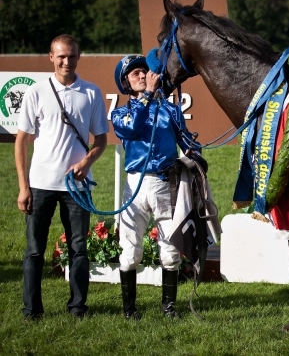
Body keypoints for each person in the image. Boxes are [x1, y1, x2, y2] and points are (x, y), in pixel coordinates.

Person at [15, 34, 109, 320]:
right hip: (41, 184)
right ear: (51, 57)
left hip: (77, 188)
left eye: (71, 55)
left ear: (79, 57)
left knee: (78, 249)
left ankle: (78, 308)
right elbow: (22, 142)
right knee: (34, 251)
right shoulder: (37, 92)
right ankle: (32, 310)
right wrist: (23, 187)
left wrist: (86, 162)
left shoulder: (91, 93)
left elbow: (101, 140)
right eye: (61, 56)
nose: (66, 61)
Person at [111, 55, 197, 319]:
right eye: (135, 73)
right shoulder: (120, 113)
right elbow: (132, 128)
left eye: (144, 72)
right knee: (130, 251)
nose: (141, 75)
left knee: (170, 251)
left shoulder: (170, 110)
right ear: (125, 82)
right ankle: (129, 309)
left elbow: (187, 141)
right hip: (135, 185)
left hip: (165, 183)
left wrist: (194, 155)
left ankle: (169, 307)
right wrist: (148, 94)